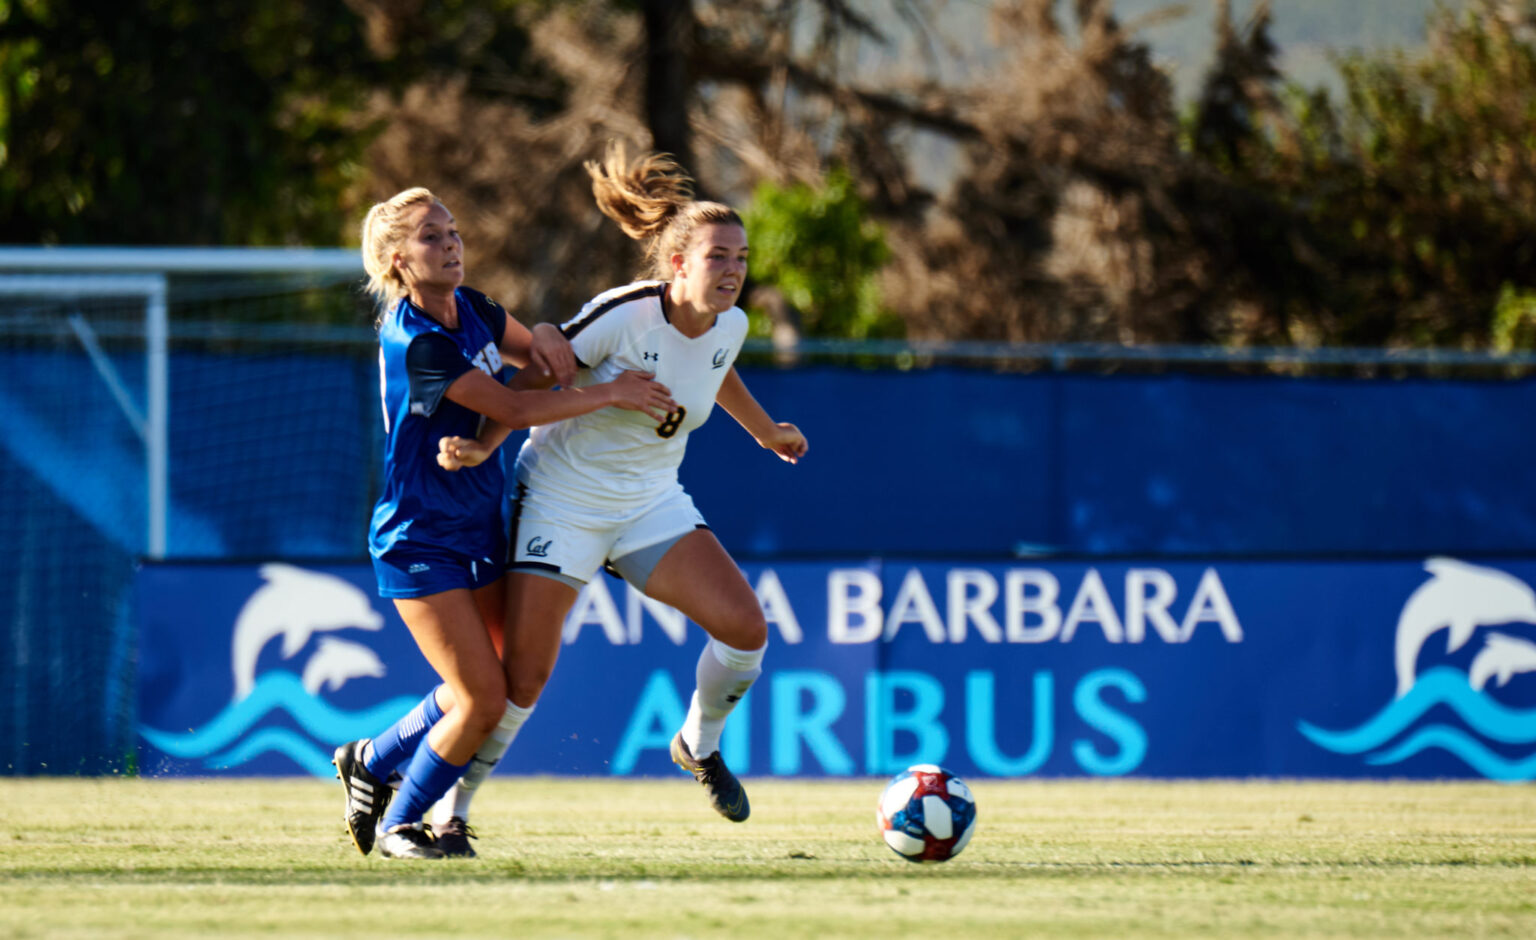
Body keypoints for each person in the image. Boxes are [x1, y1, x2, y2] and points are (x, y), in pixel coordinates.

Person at [438, 142, 808, 824]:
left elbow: (715, 368)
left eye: (741, 258)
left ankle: (697, 747)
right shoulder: (626, 313)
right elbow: (536, 371)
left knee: (745, 630)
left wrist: (765, 431)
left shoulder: (733, 323)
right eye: (717, 257)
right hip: (560, 499)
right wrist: (483, 443)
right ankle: (449, 812)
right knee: (524, 679)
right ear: (678, 263)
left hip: (649, 501)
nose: (733, 270)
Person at [332, 186, 676, 861]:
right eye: (432, 236)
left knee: (493, 684)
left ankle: (373, 759)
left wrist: (548, 335)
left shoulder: (476, 308)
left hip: (481, 525)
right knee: (483, 697)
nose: (452, 243)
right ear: (399, 260)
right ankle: (405, 822)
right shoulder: (418, 341)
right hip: (418, 536)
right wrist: (611, 391)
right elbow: (512, 410)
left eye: (453, 230)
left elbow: (537, 355)